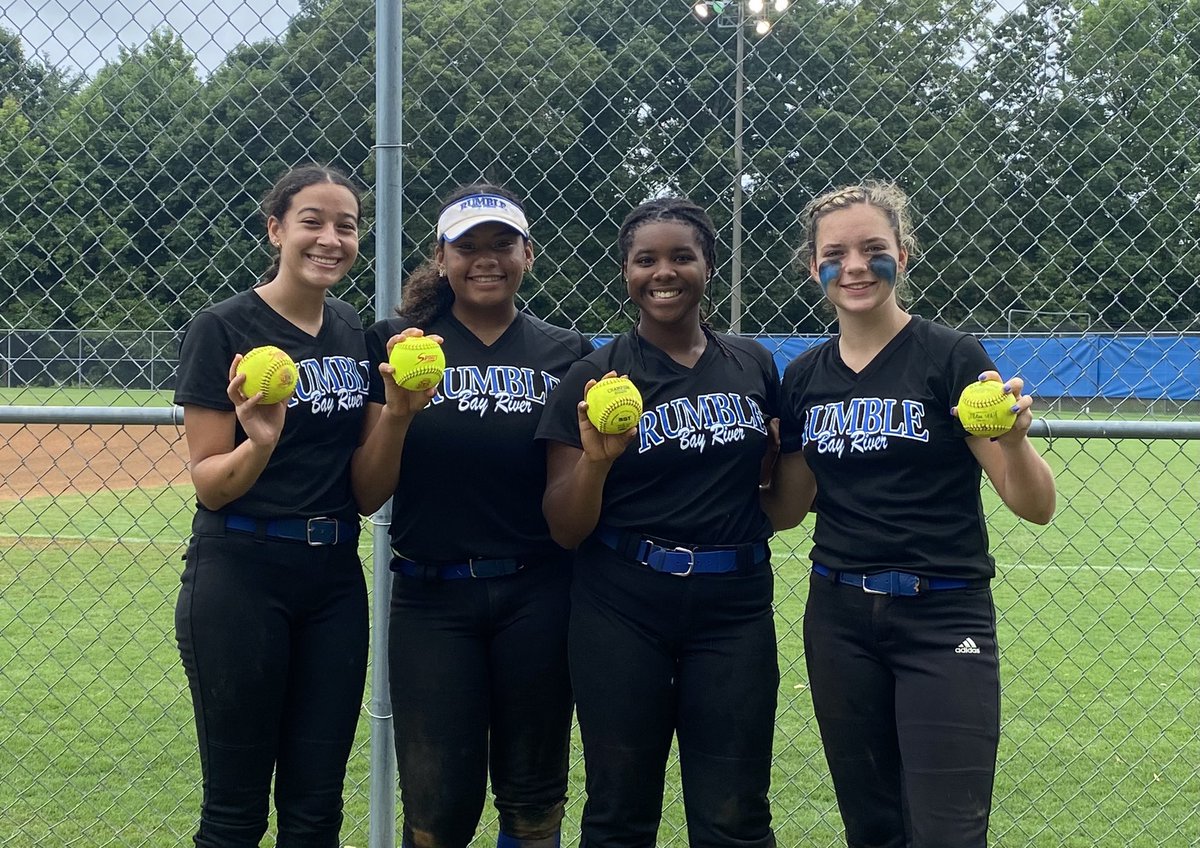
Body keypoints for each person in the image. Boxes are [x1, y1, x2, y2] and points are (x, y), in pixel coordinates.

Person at [761, 180, 1057, 848]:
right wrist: (752, 462)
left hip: (943, 615)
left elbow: (1032, 505)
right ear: (814, 267)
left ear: (904, 253)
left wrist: (1014, 441)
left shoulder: (950, 358)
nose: (856, 265)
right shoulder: (805, 378)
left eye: (874, 248)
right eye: (836, 253)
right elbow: (786, 510)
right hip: (838, 620)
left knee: (948, 833)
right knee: (873, 828)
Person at [537, 197, 781, 847]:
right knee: (619, 808)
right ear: (626, 273)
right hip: (622, 605)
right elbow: (564, 526)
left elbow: (775, 491)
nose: (664, 272)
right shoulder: (594, 374)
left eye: (682, 256)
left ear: (709, 266)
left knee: (736, 810)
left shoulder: (752, 363)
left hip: (735, 607)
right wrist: (594, 462)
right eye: (646, 260)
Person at [355, 182, 592, 848]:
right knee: (437, 807)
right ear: (441, 258)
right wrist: (399, 414)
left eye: (502, 245)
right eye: (468, 247)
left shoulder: (563, 349)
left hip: (539, 592)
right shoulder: (399, 342)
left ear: (528, 254)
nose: (486, 260)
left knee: (534, 796)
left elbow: (570, 485)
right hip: (432, 597)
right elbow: (369, 492)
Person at [173, 164, 374, 846]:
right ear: (276, 229)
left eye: (345, 225)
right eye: (311, 221)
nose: (329, 238)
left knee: (316, 810)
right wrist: (259, 443)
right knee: (234, 814)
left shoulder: (351, 329)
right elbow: (208, 482)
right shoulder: (224, 327)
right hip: (241, 571)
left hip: (334, 578)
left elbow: (367, 481)